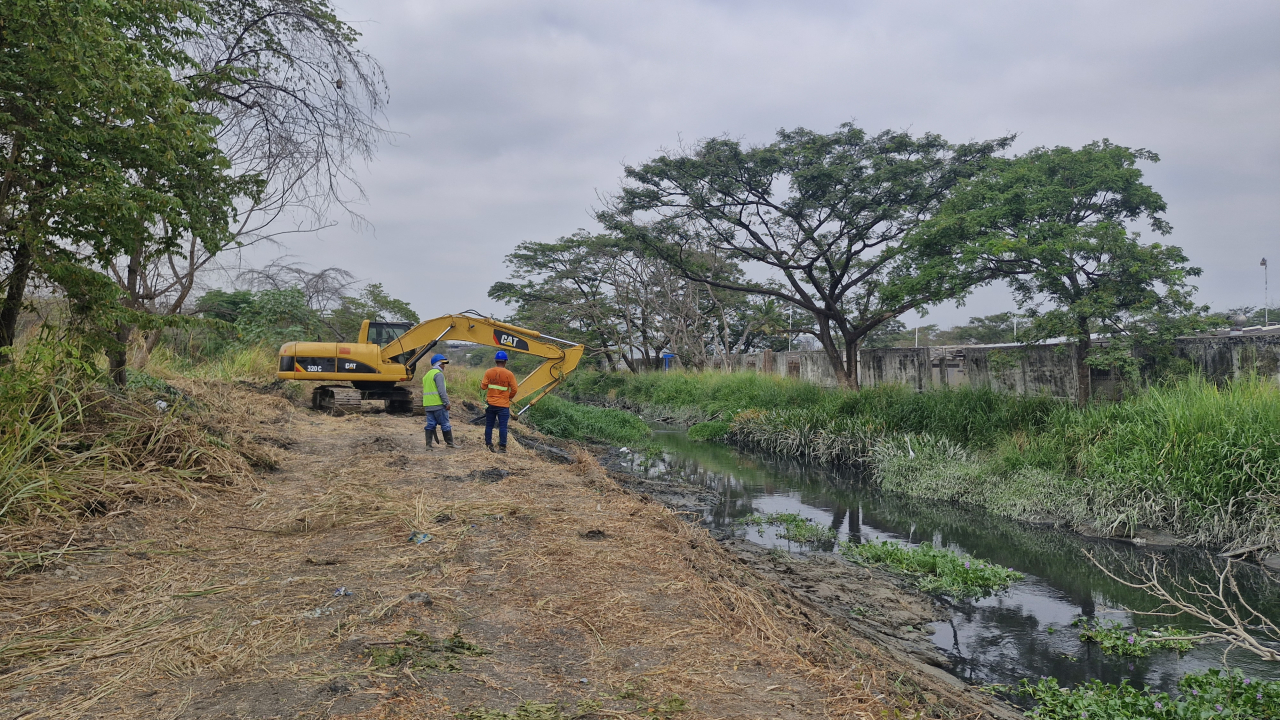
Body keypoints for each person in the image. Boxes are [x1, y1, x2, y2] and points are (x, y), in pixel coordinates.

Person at [481, 350, 518, 453]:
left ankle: (489, 444)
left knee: (489, 425)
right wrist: (508, 397)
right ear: (505, 361)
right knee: (503, 427)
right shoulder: (509, 374)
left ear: (495, 361)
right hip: (503, 405)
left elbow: (483, 387)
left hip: (490, 404)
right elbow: (514, 389)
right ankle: (502, 447)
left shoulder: (488, 372)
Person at [422, 354, 456, 449]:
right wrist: (447, 403)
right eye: (442, 364)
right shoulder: (438, 374)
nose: (444, 366)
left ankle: (428, 445)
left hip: (428, 405)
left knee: (430, 424)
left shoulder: (427, 375)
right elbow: (442, 391)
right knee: (445, 424)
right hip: (438, 404)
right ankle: (450, 443)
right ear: (438, 364)